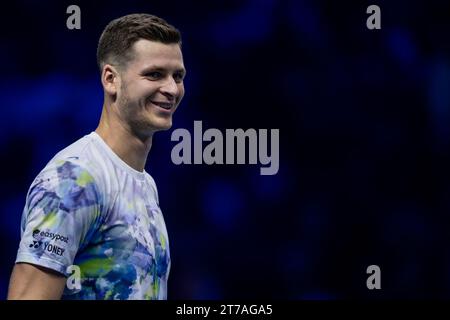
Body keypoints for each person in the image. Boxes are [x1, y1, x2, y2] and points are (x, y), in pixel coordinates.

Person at [7, 13, 186, 300]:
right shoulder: (75, 180)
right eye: (154, 74)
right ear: (111, 79)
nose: (172, 89)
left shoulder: (145, 184)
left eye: (178, 76)